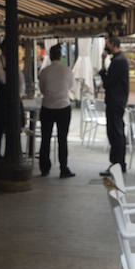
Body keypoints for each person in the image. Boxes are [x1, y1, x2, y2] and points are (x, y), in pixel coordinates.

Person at [37, 44, 76, 178]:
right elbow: (70, 86)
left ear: (50, 55)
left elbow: (42, 89)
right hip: (63, 106)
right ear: (60, 56)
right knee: (62, 139)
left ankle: (44, 168)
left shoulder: (44, 71)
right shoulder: (67, 70)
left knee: (45, 138)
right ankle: (63, 168)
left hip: (47, 106)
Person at [100, 34, 130, 175]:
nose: (106, 47)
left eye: (108, 44)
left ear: (113, 44)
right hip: (118, 101)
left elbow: (107, 82)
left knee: (115, 132)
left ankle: (117, 163)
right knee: (116, 131)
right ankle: (118, 163)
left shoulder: (118, 61)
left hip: (115, 101)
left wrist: (102, 63)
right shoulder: (119, 60)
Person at [0, 39, 23, 163]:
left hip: (13, 97)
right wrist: (14, 83)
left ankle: (10, 155)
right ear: (3, 49)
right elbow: (2, 78)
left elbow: (21, 78)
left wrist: (19, 92)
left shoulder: (13, 61)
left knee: (12, 127)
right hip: (0, 98)